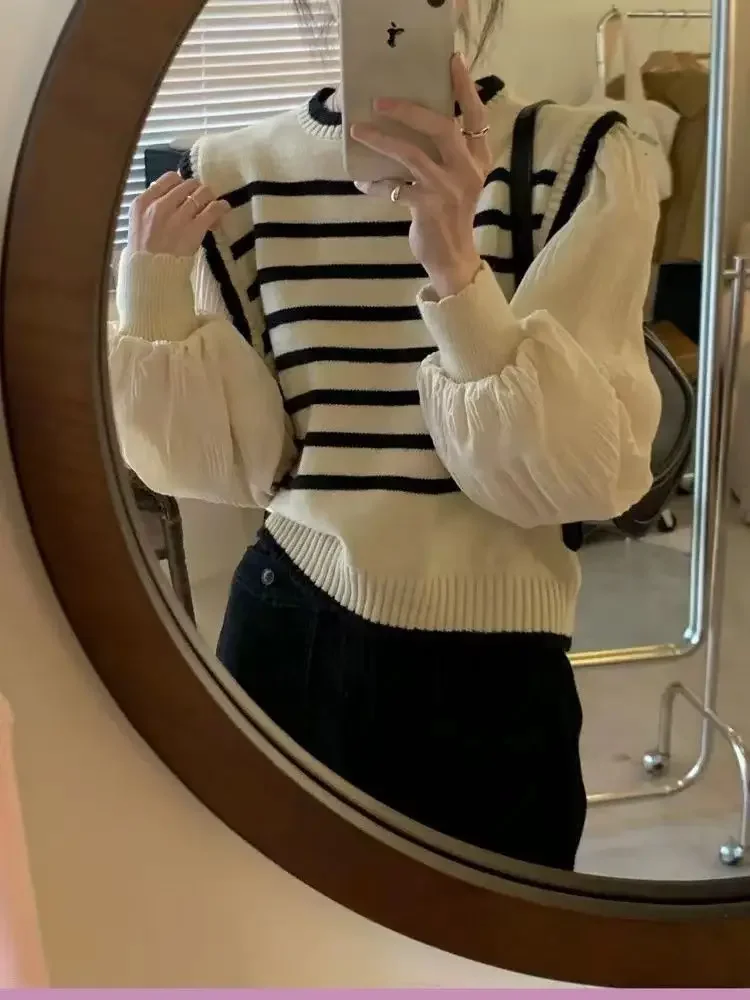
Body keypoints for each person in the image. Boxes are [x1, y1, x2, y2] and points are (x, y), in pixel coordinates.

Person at [110, 0, 661, 871]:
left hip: (496, 662)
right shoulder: (232, 174)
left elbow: (579, 477)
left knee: (497, 939)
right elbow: (233, 465)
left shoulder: (580, 156)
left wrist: (457, 270)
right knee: (280, 929)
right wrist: (151, 292)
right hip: (289, 628)